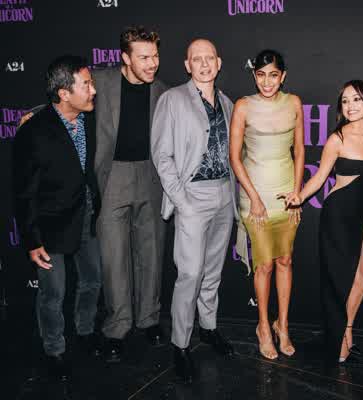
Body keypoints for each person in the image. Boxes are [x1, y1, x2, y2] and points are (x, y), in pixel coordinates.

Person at [283, 80, 363, 364]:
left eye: (356, 99)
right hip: (337, 215)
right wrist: (299, 196)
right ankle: (338, 341)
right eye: (345, 101)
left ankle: (347, 330)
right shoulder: (337, 139)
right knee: (338, 282)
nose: (350, 106)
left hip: (361, 214)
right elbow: (320, 178)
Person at [151, 38, 237, 383]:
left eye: (209, 58)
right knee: (189, 274)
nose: (203, 64)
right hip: (192, 197)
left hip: (224, 194)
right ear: (187, 65)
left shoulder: (228, 103)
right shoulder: (172, 99)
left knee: (212, 272)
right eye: (196, 59)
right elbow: (162, 156)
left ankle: (209, 328)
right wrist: (181, 201)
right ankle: (181, 345)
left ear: (218, 62)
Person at [13, 55, 102, 382]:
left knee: (92, 280)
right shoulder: (33, 131)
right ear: (64, 93)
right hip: (50, 226)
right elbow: (23, 192)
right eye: (86, 85)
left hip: (86, 214)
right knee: (53, 294)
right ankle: (54, 350)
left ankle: (85, 331)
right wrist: (32, 240)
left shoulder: (88, 118)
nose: (93, 90)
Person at [92, 25, 169, 362]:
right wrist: (35, 116)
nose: (152, 63)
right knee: (114, 257)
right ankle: (117, 327)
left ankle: (149, 318)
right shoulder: (100, 81)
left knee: (151, 252)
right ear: (125, 58)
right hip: (113, 176)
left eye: (155, 56)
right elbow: (66, 96)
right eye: (144, 57)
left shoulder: (162, 91)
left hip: (150, 175)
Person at [229, 49, 305, 360]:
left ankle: (282, 325)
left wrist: (297, 193)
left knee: (285, 261)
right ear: (254, 75)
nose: (267, 81)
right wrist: (255, 199)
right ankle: (263, 326)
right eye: (261, 75)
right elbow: (235, 157)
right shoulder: (243, 106)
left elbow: (299, 150)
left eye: (273, 75)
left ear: (282, 76)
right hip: (255, 198)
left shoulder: (294, 103)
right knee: (265, 265)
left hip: (286, 197)